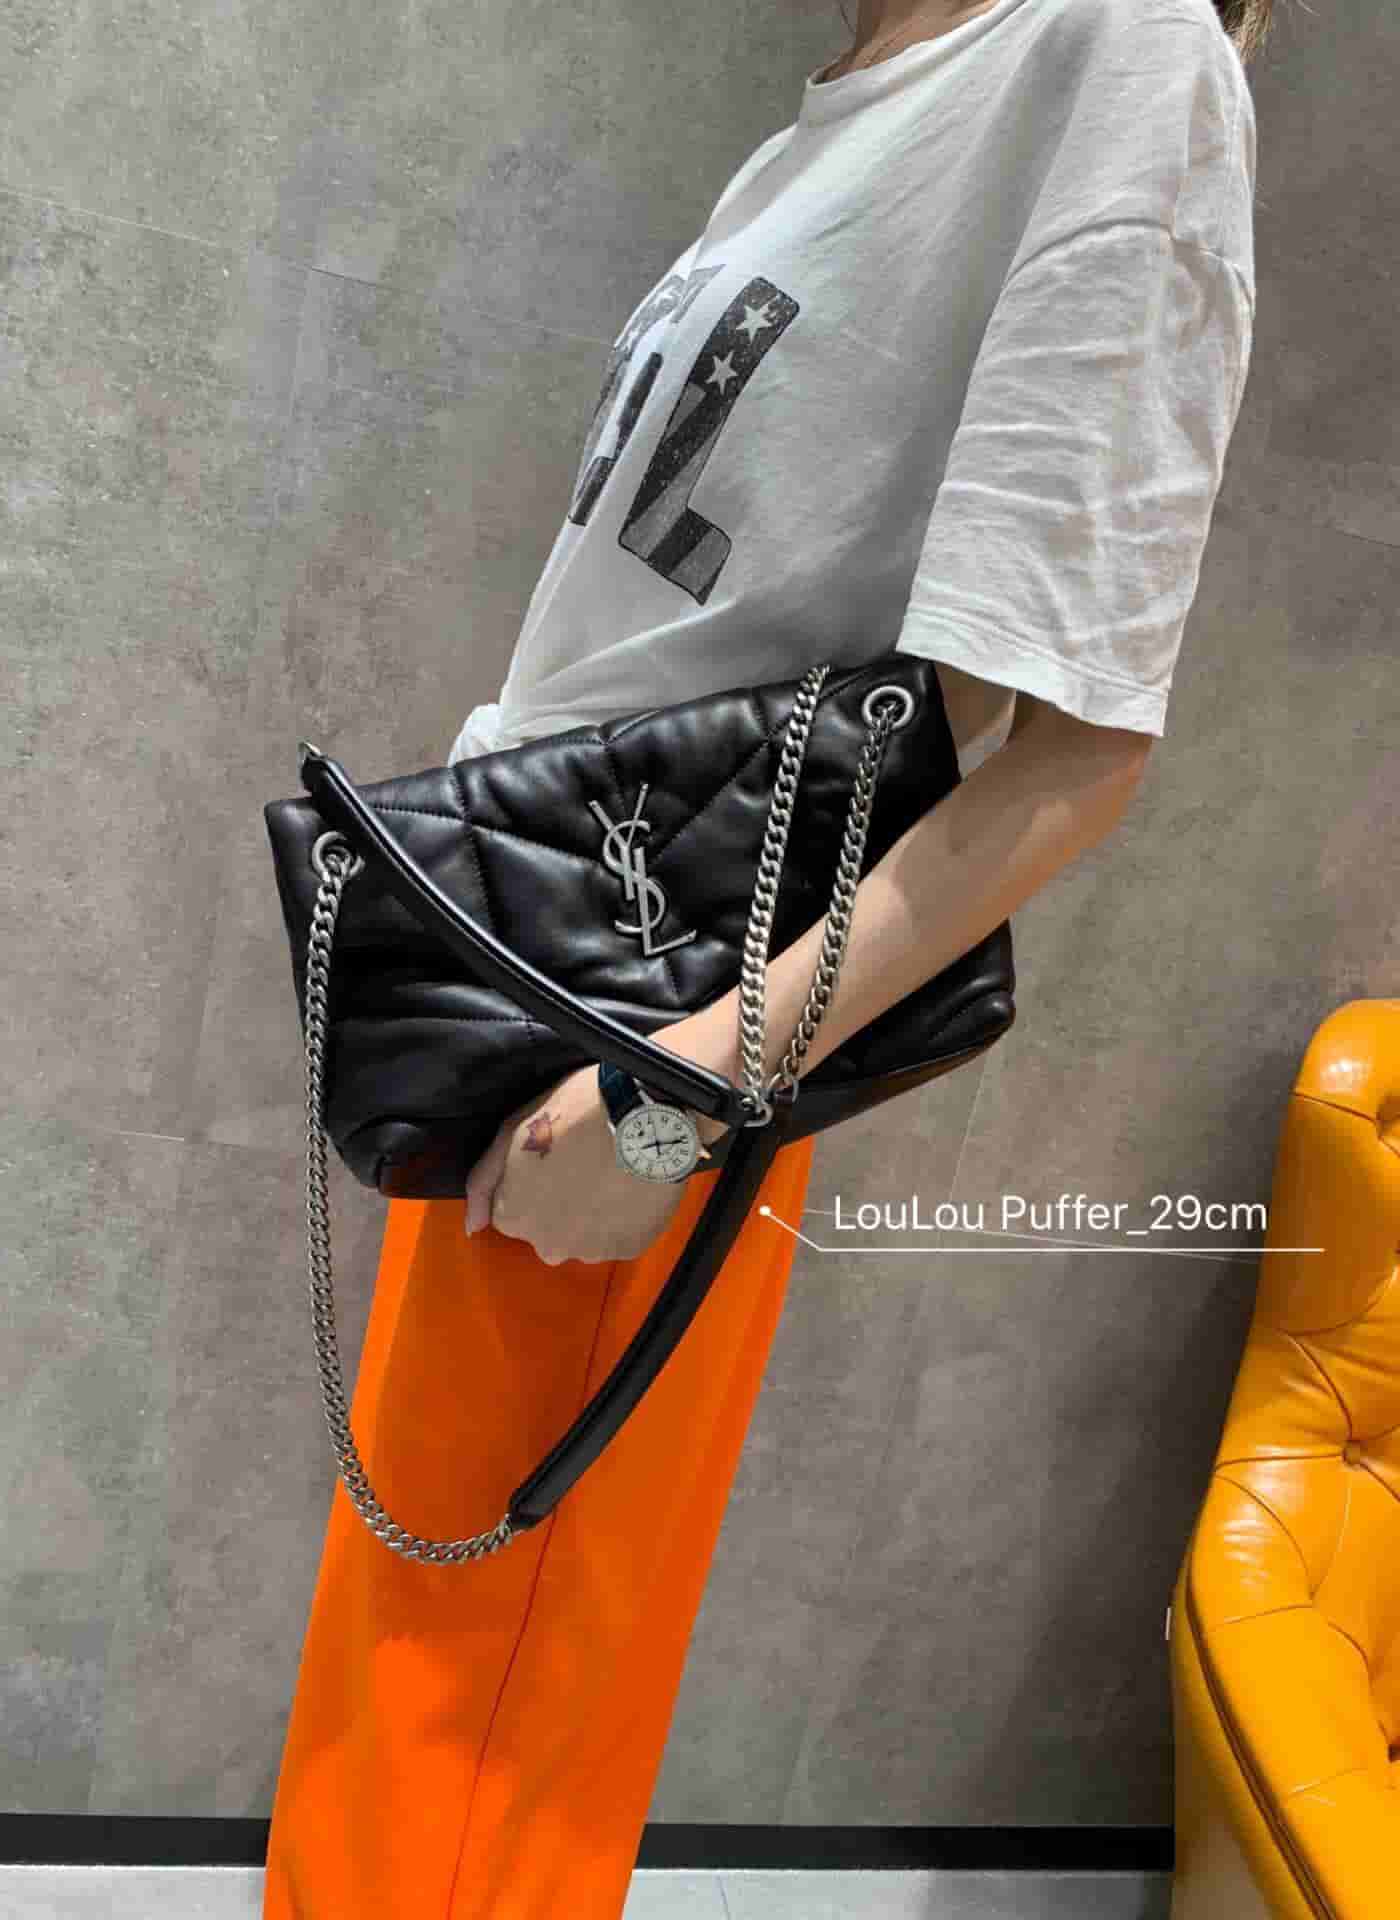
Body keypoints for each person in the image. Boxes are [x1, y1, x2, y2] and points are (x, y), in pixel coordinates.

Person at [264, 0, 1262, 1912]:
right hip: (524, 992)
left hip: (647, 1047)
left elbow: (1077, 755)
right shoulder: (853, 101)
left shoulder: (1114, 53)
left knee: (465, 1766)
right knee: (406, 1707)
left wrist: (669, 1106)